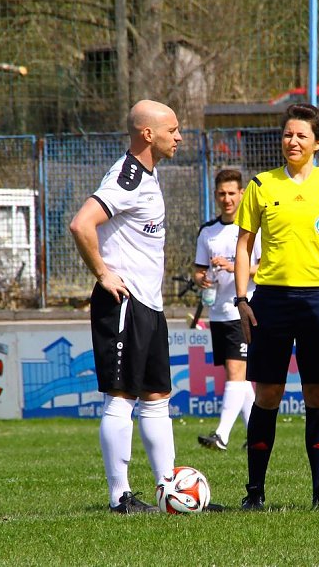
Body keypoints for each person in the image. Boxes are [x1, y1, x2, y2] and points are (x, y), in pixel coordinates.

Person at [70, 100, 218, 514]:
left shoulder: (149, 177)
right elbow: (82, 223)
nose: (180, 136)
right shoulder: (127, 176)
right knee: (121, 397)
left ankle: (168, 490)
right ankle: (120, 496)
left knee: (156, 397)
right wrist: (102, 273)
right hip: (123, 301)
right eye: (172, 129)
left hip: (148, 306)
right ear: (147, 134)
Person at [233, 103, 319, 510]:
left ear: (317, 143)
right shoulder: (260, 185)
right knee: (267, 393)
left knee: (318, 394)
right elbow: (244, 245)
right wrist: (241, 299)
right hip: (271, 299)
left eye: (302, 135)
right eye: (288, 134)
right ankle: (255, 492)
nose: (293, 141)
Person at [195, 169, 260, 451]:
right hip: (218, 312)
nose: (227, 199)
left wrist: (237, 267)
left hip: (242, 310)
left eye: (232, 193)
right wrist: (202, 279)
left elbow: (266, 267)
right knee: (239, 378)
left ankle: (221, 434)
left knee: (236, 372)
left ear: (242, 194)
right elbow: (198, 270)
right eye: (222, 193)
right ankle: (255, 433)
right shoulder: (207, 232)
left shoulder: (251, 229)